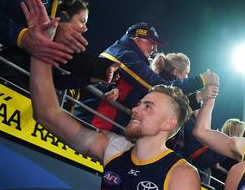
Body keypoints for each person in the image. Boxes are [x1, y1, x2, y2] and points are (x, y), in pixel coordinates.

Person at [23, 0, 200, 190]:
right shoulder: (114, 149)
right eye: (140, 102)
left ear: (169, 124)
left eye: (148, 106)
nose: (134, 108)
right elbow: (48, 114)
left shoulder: (182, 174)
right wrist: (41, 51)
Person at [74, 23, 217, 133]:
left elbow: (162, 102)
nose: (154, 48)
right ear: (137, 39)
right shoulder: (125, 54)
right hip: (92, 122)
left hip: (102, 124)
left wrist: (197, 97)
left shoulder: (127, 54)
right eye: (151, 42)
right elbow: (161, 88)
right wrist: (201, 80)